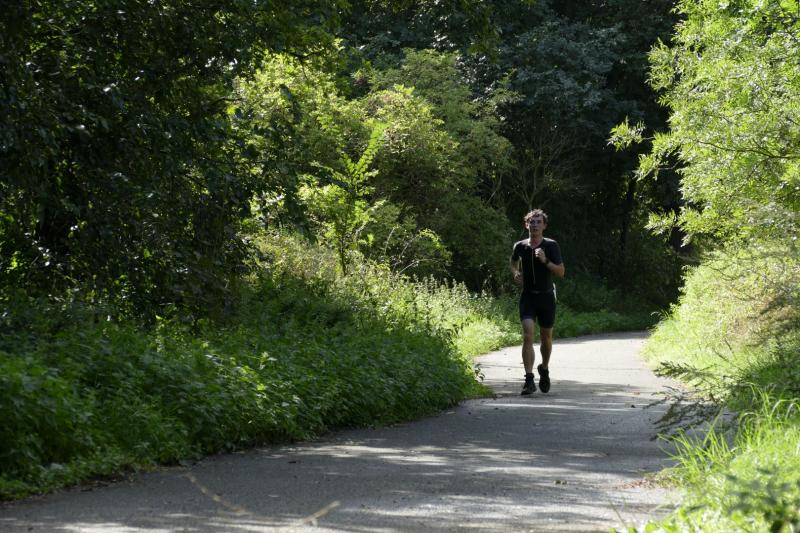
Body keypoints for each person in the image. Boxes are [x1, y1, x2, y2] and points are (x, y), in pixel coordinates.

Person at [509, 209, 565, 395]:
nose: (535, 225)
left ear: (544, 226)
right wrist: (515, 273)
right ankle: (529, 379)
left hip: (546, 297)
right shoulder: (520, 246)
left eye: (538, 222)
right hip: (528, 296)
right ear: (526, 224)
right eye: (531, 222)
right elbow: (513, 262)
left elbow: (561, 272)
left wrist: (545, 260)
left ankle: (544, 369)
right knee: (528, 335)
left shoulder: (551, 245)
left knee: (546, 338)